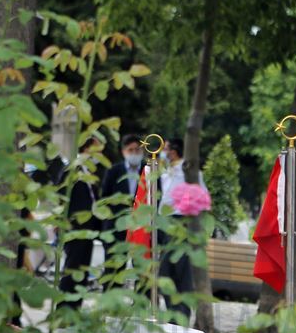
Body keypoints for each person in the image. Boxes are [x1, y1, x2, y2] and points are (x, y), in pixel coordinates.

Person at [157, 138, 206, 319]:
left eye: (166, 148)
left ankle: (182, 313)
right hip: (164, 224)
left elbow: (202, 197)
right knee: (165, 270)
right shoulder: (164, 173)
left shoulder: (189, 172)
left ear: (174, 151)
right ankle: (172, 312)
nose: (163, 152)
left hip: (182, 221)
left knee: (181, 268)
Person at [58, 137, 101, 308]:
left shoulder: (89, 171)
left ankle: (75, 307)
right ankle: (64, 309)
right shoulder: (73, 168)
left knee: (82, 270)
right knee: (72, 268)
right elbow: (62, 195)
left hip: (88, 228)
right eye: (96, 148)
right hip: (75, 227)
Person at [101, 135, 146, 287]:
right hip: (116, 225)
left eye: (137, 149)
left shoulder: (148, 170)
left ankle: (142, 304)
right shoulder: (114, 171)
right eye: (130, 150)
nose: (134, 153)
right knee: (114, 265)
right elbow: (105, 197)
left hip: (141, 226)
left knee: (142, 266)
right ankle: (111, 301)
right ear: (123, 151)